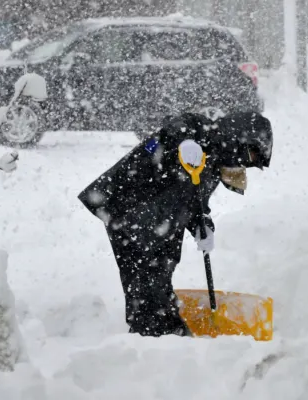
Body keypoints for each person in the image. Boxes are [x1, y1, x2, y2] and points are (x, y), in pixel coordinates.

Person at [77, 112, 273, 337]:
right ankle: (158, 333)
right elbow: (175, 125)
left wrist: (202, 225)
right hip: (130, 206)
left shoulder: (213, 166)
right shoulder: (200, 129)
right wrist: (186, 141)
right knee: (148, 273)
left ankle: (157, 331)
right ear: (239, 137)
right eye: (248, 154)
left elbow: (195, 201)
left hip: (160, 216)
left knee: (160, 269)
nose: (243, 163)